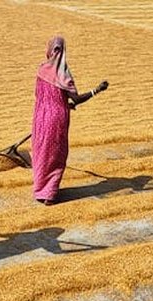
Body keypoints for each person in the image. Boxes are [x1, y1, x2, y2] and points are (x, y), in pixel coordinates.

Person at [31, 36, 107, 205]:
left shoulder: (41, 69)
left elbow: (39, 94)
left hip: (40, 115)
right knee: (56, 154)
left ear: (49, 50)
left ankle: (40, 190)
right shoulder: (63, 73)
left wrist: (55, 104)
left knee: (41, 152)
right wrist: (97, 90)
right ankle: (49, 194)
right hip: (57, 117)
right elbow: (77, 99)